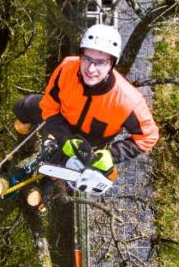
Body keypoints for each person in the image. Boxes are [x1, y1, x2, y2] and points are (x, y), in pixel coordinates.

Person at [13, 24, 159, 176]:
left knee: (57, 169)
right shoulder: (67, 68)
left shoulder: (128, 101)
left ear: (111, 64)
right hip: (62, 118)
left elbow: (149, 136)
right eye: (87, 59)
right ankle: (25, 133)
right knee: (24, 105)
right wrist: (64, 137)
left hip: (88, 141)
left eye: (101, 62)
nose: (90, 69)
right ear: (80, 56)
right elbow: (49, 106)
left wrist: (113, 154)